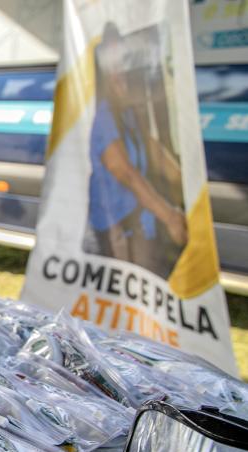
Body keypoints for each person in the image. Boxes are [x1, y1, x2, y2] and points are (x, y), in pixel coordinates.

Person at [86, 23, 188, 278]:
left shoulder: (127, 111)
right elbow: (125, 172)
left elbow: (153, 150)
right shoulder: (102, 115)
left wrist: (188, 187)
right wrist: (170, 217)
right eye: (113, 65)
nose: (120, 72)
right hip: (119, 233)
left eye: (123, 62)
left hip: (142, 225)